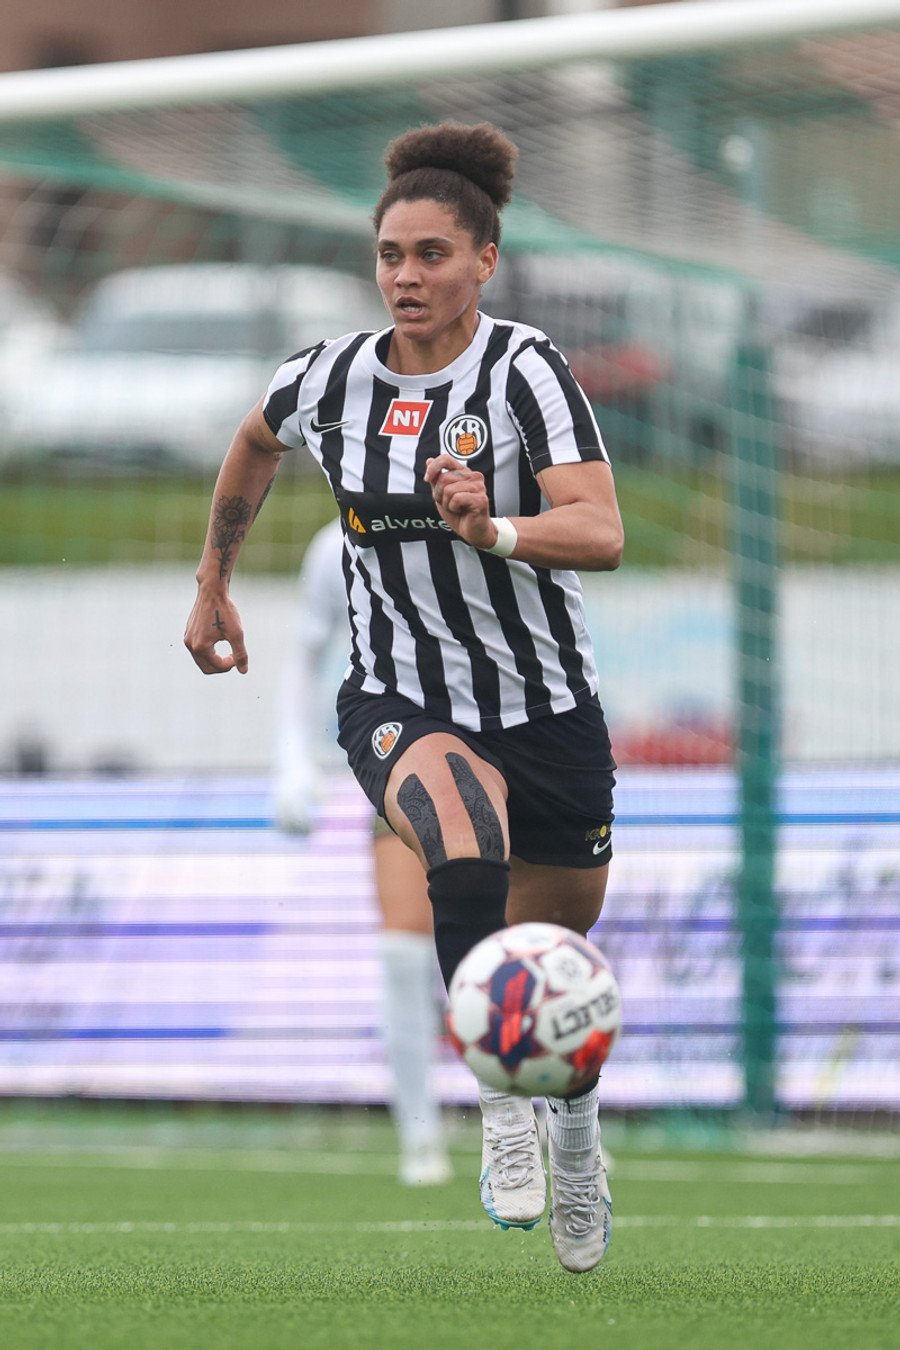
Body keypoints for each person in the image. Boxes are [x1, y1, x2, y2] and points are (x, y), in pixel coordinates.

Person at [185, 121, 624, 1274]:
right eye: (391, 254)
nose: (407, 275)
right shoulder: (327, 377)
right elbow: (253, 441)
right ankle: (501, 1110)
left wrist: (495, 527)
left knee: (549, 955)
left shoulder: (525, 371)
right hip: (397, 696)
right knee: (459, 841)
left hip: (546, 707)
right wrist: (215, 580)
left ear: (485, 260)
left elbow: (603, 531)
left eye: (432, 254)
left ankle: (576, 1136)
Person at [273, 515, 452, 1187]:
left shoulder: (488, 520)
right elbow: (305, 656)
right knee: (404, 954)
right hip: (406, 755)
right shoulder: (335, 547)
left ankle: (555, 1120)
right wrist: (291, 759)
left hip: (505, 747)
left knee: (517, 944)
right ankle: (421, 1138)